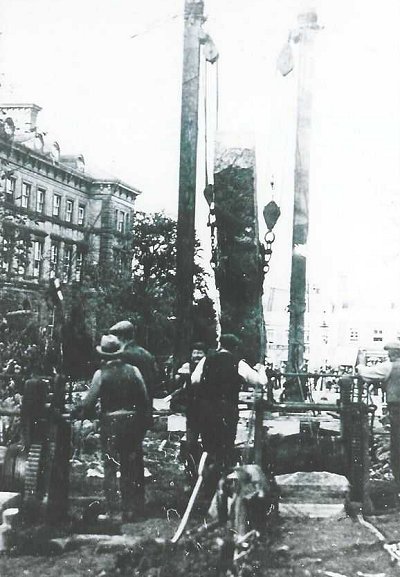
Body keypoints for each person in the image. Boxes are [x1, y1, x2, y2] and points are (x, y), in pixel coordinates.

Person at [73, 334, 151, 522]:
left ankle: (113, 510)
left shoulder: (101, 375)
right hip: (131, 422)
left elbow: (89, 402)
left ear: (104, 355)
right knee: (128, 466)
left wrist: (81, 412)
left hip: (111, 423)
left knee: (109, 466)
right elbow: (144, 398)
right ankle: (129, 509)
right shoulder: (134, 371)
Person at [191, 334, 266, 486]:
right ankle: (222, 483)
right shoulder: (237, 363)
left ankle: (207, 483)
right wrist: (261, 369)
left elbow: (194, 380)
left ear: (221, 345)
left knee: (209, 446)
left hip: (207, 409)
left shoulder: (207, 359)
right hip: (227, 410)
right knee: (225, 448)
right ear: (235, 348)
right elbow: (260, 382)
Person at [356, 341, 400, 485]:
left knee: (397, 447)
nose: (389, 356)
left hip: (397, 410)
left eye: (390, 353)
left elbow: (365, 373)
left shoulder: (389, 367)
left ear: (395, 353)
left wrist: (361, 362)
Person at [172, 342, 207, 480]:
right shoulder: (187, 367)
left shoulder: (208, 367)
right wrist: (179, 376)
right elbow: (177, 385)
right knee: (191, 443)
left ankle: (204, 474)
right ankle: (191, 473)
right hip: (192, 410)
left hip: (206, 409)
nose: (197, 356)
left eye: (200, 353)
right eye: (194, 352)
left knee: (207, 443)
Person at [108, 320, 159, 399]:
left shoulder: (123, 355)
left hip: (128, 406)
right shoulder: (147, 354)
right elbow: (156, 376)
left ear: (120, 337)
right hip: (147, 405)